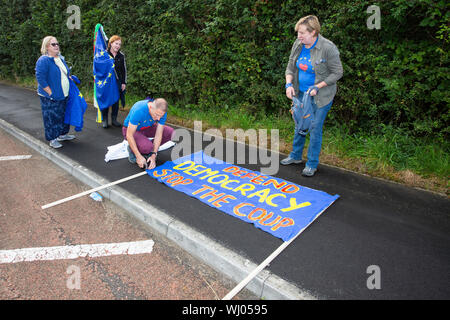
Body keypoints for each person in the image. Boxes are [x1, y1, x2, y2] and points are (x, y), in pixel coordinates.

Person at [282, 15, 343, 177]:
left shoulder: (327, 48)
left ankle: (311, 164)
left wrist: (318, 86)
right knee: (300, 124)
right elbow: (290, 68)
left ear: (314, 32)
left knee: (315, 127)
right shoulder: (298, 44)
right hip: (301, 93)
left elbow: (338, 72)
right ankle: (295, 156)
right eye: (298, 33)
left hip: (320, 96)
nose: (299, 36)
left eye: (302, 33)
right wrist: (288, 84)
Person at [35, 36, 76, 149]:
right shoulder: (43, 60)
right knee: (51, 117)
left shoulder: (60, 58)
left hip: (64, 94)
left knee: (63, 115)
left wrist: (70, 77)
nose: (56, 46)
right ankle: (52, 138)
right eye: (53, 44)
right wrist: (50, 93)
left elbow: (64, 72)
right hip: (50, 97)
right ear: (47, 46)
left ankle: (62, 134)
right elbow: (40, 78)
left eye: (57, 43)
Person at [122, 98, 174, 169]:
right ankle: (133, 149)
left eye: (161, 116)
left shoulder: (161, 112)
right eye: (156, 115)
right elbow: (129, 134)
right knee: (146, 147)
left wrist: (153, 154)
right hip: (131, 130)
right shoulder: (139, 110)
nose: (158, 119)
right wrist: (138, 156)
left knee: (170, 132)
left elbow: (159, 134)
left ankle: (146, 147)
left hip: (148, 127)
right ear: (150, 107)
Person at [101, 35, 127, 128]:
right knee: (106, 100)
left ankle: (114, 119)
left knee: (116, 100)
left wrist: (124, 82)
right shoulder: (105, 55)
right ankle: (105, 119)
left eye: (119, 44)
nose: (118, 46)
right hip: (107, 82)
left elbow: (123, 70)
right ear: (111, 43)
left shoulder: (121, 56)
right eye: (116, 43)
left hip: (117, 82)